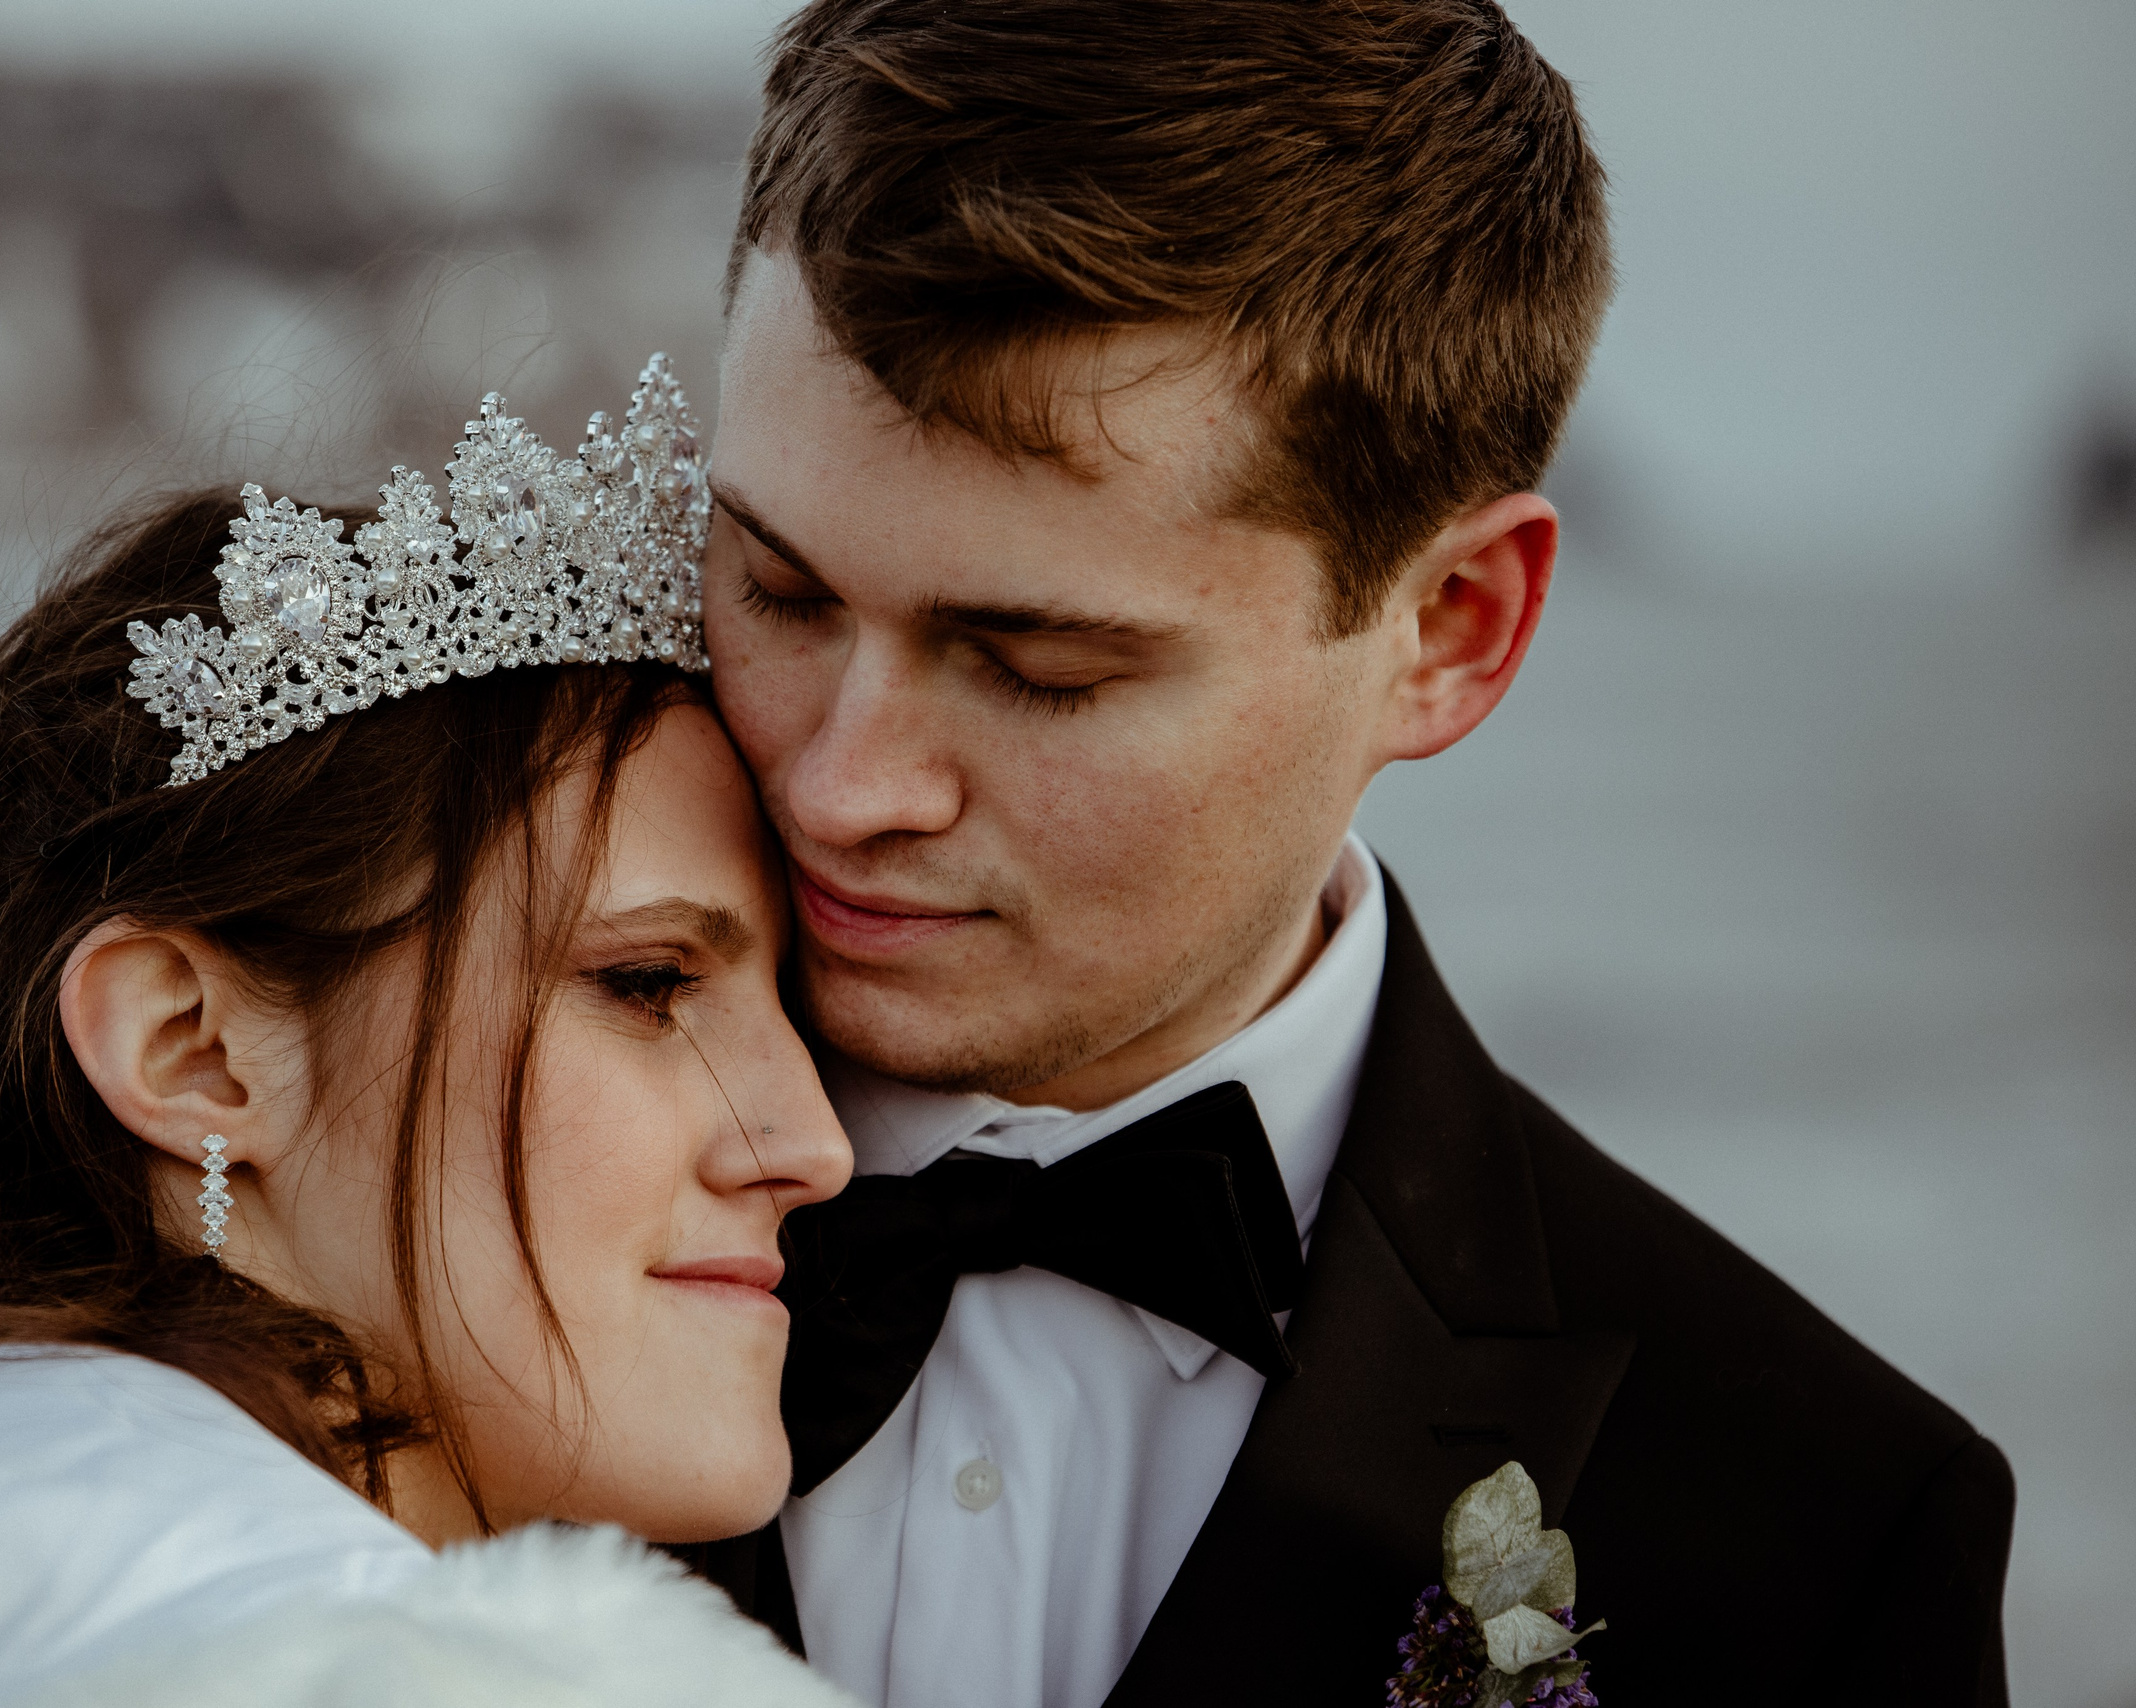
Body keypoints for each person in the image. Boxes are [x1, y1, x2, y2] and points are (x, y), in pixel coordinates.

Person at [683, 4, 2017, 1706]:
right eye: (777, 589)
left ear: (1449, 629)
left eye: (1042, 666)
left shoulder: (1825, 1542)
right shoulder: (387, 1201)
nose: (841, 785)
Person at [0, 363, 859, 1706]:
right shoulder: (332, 1659)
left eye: (796, 1010)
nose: (812, 1146)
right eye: (648, 983)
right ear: (190, 1046)